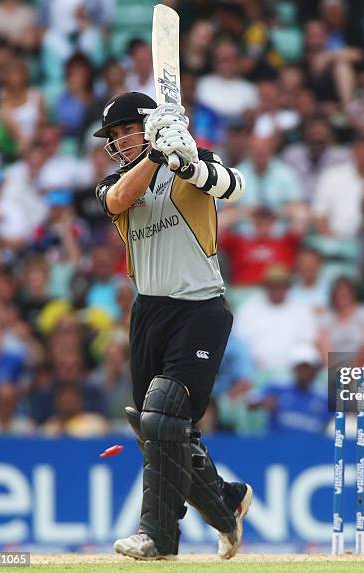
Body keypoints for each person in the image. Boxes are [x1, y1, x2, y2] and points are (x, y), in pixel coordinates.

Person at [92, 91, 251, 560]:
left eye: (127, 131)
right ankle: (226, 503)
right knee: (156, 427)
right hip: (149, 313)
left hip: (200, 307)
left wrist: (184, 162)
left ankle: (158, 537)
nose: (121, 142)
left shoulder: (191, 161)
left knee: (162, 417)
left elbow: (234, 187)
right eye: (115, 136)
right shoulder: (114, 183)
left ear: (149, 124)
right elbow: (120, 198)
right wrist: (158, 153)